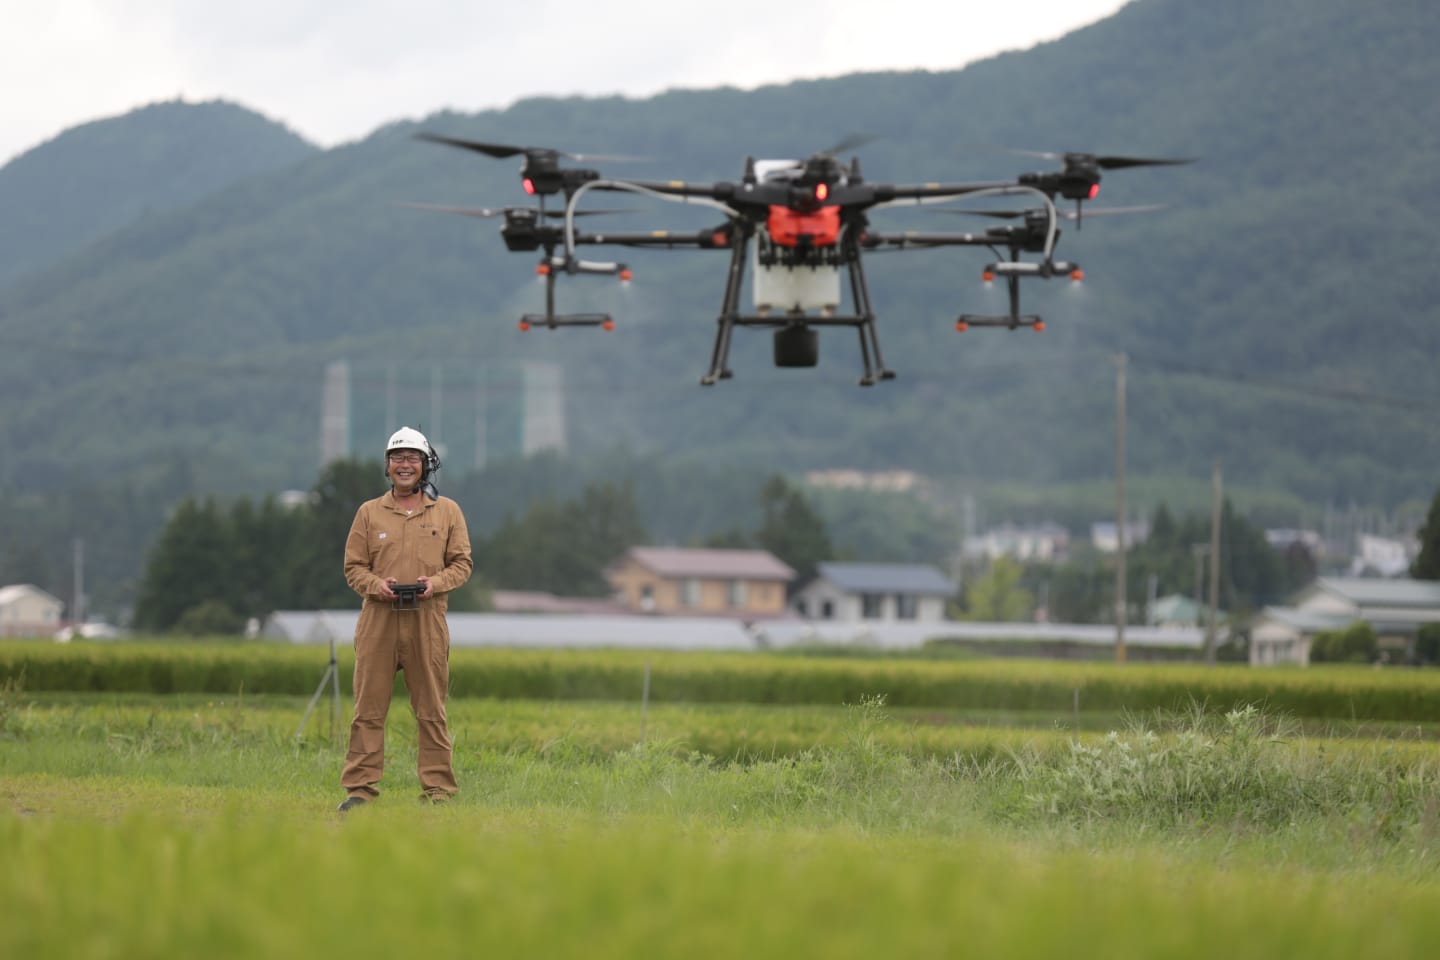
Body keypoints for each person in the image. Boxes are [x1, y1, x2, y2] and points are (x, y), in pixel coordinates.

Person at [337, 426, 472, 812]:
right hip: (378, 619)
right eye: (397, 458)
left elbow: (462, 563)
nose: (405, 465)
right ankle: (360, 790)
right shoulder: (369, 512)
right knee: (368, 709)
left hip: (427, 620)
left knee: (431, 710)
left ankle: (438, 791)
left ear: (426, 465)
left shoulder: (448, 512)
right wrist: (377, 585)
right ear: (387, 466)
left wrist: (438, 583)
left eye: (413, 458)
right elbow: (353, 567)